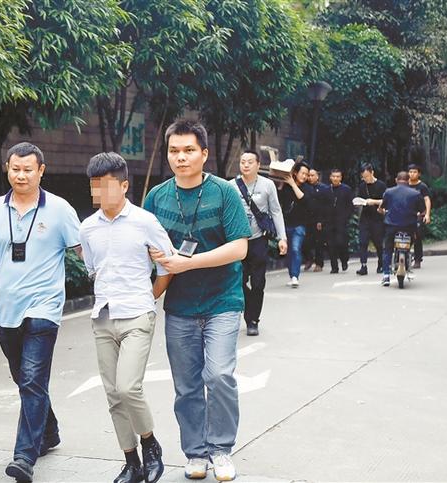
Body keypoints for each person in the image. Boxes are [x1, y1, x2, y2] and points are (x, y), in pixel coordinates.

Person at [0, 142, 81, 483]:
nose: (21, 176)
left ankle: (24, 456)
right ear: (7, 169)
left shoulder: (60, 210)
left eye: (28, 170)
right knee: (24, 378)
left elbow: (84, 250)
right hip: (7, 310)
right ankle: (48, 431)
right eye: (15, 169)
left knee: (33, 378)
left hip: (45, 307)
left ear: (41, 171)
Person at [143, 120, 250, 481]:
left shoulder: (224, 192)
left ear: (204, 153)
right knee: (186, 385)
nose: (181, 157)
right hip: (180, 306)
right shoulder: (157, 197)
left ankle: (220, 449)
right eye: (174, 150)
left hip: (223, 301)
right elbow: (144, 250)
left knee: (219, 375)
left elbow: (239, 247)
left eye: (189, 150)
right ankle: (196, 453)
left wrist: (187, 262)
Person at [79, 152, 173, 483]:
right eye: (95, 186)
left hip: (137, 315)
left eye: (106, 186)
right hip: (103, 317)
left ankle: (150, 445)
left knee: (128, 387)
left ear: (123, 186)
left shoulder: (145, 221)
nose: (100, 193)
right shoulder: (87, 228)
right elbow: (93, 269)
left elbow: (167, 266)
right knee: (113, 395)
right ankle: (131, 462)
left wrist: (149, 298)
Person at [228, 150, 287, 336]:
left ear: (258, 165)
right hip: (237, 241)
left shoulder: (267, 185)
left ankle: (253, 320)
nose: (245, 165)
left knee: (258, 282)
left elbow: (276, 211)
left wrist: (282, 238)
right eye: (242, 162)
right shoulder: (231, 186)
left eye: (250, 162)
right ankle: (248, 310)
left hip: (259, 239)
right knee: (237, 281)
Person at [379, 171, 425, 286]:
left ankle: (386, 275)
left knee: (387, 249)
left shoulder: (389, 192)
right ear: (408, 180)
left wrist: (383, 212)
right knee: (412, 241)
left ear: (396, 180)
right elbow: (422, 210)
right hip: (409, 226)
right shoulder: (416, 193)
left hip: (391, 226)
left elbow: (382, 207)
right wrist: (419, 215)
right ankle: (408, 256)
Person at [278, 161, 313, 287]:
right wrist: (282, 184)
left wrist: (293, 184)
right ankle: (292, 275)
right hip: (286, 224)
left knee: (296, 248)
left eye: (306, 174)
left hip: (300, 224)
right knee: (288, 252)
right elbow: (278, 201)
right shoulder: (286, 187)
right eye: (302, 173)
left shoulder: (308, 188)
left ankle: (295, 276)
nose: (305, 176)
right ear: (295, 173)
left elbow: (304, 200)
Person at [356, 163, 386, 275]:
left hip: (377, 217)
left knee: (378, 242)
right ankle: (363, 265)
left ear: (372, 173)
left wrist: (373, 201)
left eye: (367, 176)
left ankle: (381, 263)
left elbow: (385, 200)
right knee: (363, 242)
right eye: (363, 177)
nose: (366, 179)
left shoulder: (381, 185)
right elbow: (360, 198)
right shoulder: (362, 186)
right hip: (365, 217)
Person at [303, 168, 332, 272]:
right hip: (306, 218)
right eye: (308, 176)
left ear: (317, 176)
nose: (310, 178)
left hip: (319, 219)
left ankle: (319, 263)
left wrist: (321, 220)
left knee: (319, 242)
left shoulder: (324, 188)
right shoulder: (305, 187)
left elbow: (326, 206)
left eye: (312, 175)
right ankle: (309, 258)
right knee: (305, 241)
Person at [327, 168, 354, 273]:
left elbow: (350, 206)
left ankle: (344, 260)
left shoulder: (346, 189)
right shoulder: (327, 190)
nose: (335, 178)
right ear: (330, 177)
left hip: (342, 221)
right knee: (330, 244)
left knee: (341, 242)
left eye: (337, 176)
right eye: (333, 176)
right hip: (329, 221)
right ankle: (334, 267)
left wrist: (346, 217)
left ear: (341, 178)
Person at [407, 164, 432, 269]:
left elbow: (427, 200)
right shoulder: (405, 185)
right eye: (410, 172)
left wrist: (427, 214)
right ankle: (402, 257)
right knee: (403, 235)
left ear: (419, 174)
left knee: (417, 236)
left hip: (419, 214)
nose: (412, 174)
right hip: (406, 214)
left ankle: (417, 259)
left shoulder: (422, 186)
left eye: (415, 172)